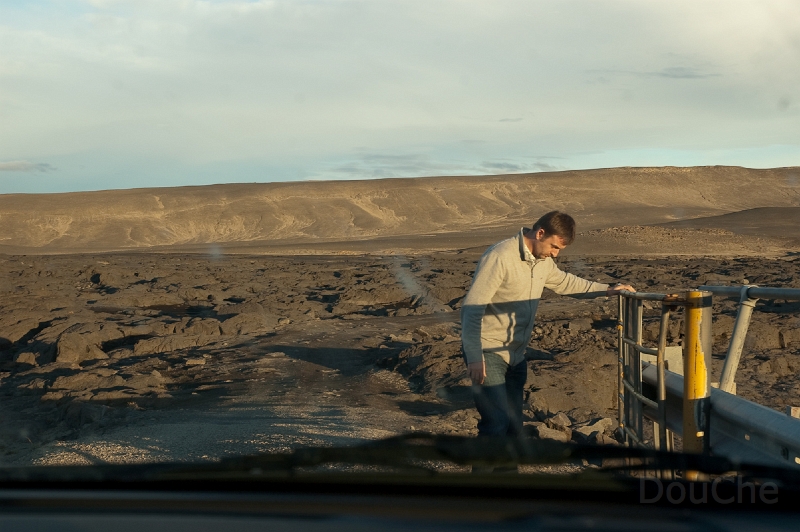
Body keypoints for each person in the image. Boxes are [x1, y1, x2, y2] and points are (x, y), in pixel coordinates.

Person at [460, 211, 634, 439]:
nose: (555, 254)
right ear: (540, 233)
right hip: (488, 352)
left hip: (516, 355)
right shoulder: (500, 256)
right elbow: (472, 307)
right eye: (554, 247)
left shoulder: (542, 262)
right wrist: (474, 355)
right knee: (496, 423)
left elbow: (566, 282)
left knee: (513, 425)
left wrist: (608, 290)